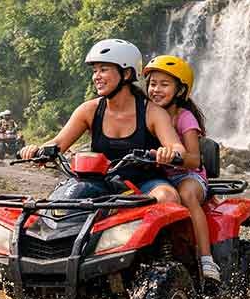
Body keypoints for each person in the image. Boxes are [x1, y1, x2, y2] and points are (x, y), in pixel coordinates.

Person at [20, 39, 186, 205]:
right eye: (95, 71)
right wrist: (35, 151)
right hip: (99, 183)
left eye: (103, 70)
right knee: (59, 205)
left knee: (168, 196)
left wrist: (170, 153)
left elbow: (177, 147)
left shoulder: (153, 113)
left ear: (126, 74)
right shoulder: (88, 110)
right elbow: (58, 143)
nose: (96, 77)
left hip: (144, 183)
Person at [143, 55, 219, 283]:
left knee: (186, 195)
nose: (156, 89)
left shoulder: (184, 118)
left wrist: (172, 157)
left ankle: (206, 258)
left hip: (189, 176)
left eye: (164, 84)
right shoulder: (144, 115)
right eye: (153, 84)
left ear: (180, 90)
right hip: (158, 178)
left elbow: (194, 159)